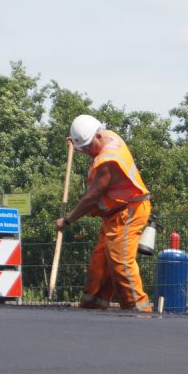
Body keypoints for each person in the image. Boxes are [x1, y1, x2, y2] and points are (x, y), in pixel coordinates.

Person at [55, 115, 154, 312]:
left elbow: (91, 197)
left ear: (98, 136)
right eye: (83, 148)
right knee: (100, 263)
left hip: (130, 212)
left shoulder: (109, 161)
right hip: (114, 214)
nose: (88, 151)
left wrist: (67, 220)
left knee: (121, 262)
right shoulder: (104, 135)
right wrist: (76, 144)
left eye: (88, 146)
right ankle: (92, 306)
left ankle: (139, 310)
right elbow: (86, 141)